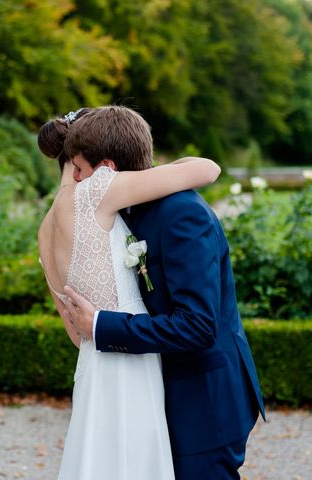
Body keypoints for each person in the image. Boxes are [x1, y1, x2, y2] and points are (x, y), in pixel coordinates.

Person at [62, 108, 266, 479]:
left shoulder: (181, 214)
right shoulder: (130, 211)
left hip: (205, 398)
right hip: (168, 391)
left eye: (78, 167)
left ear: (107, 167)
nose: (74, 178)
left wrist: (102, 325)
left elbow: (198, 325)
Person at [37, 105, 221, 480]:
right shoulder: (96, 189)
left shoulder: (45, 229)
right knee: (134, 462)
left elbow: (75, 332)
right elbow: (207, 169)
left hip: (94, 361)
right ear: (102, 165)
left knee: (97, 462)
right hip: (131, 355)